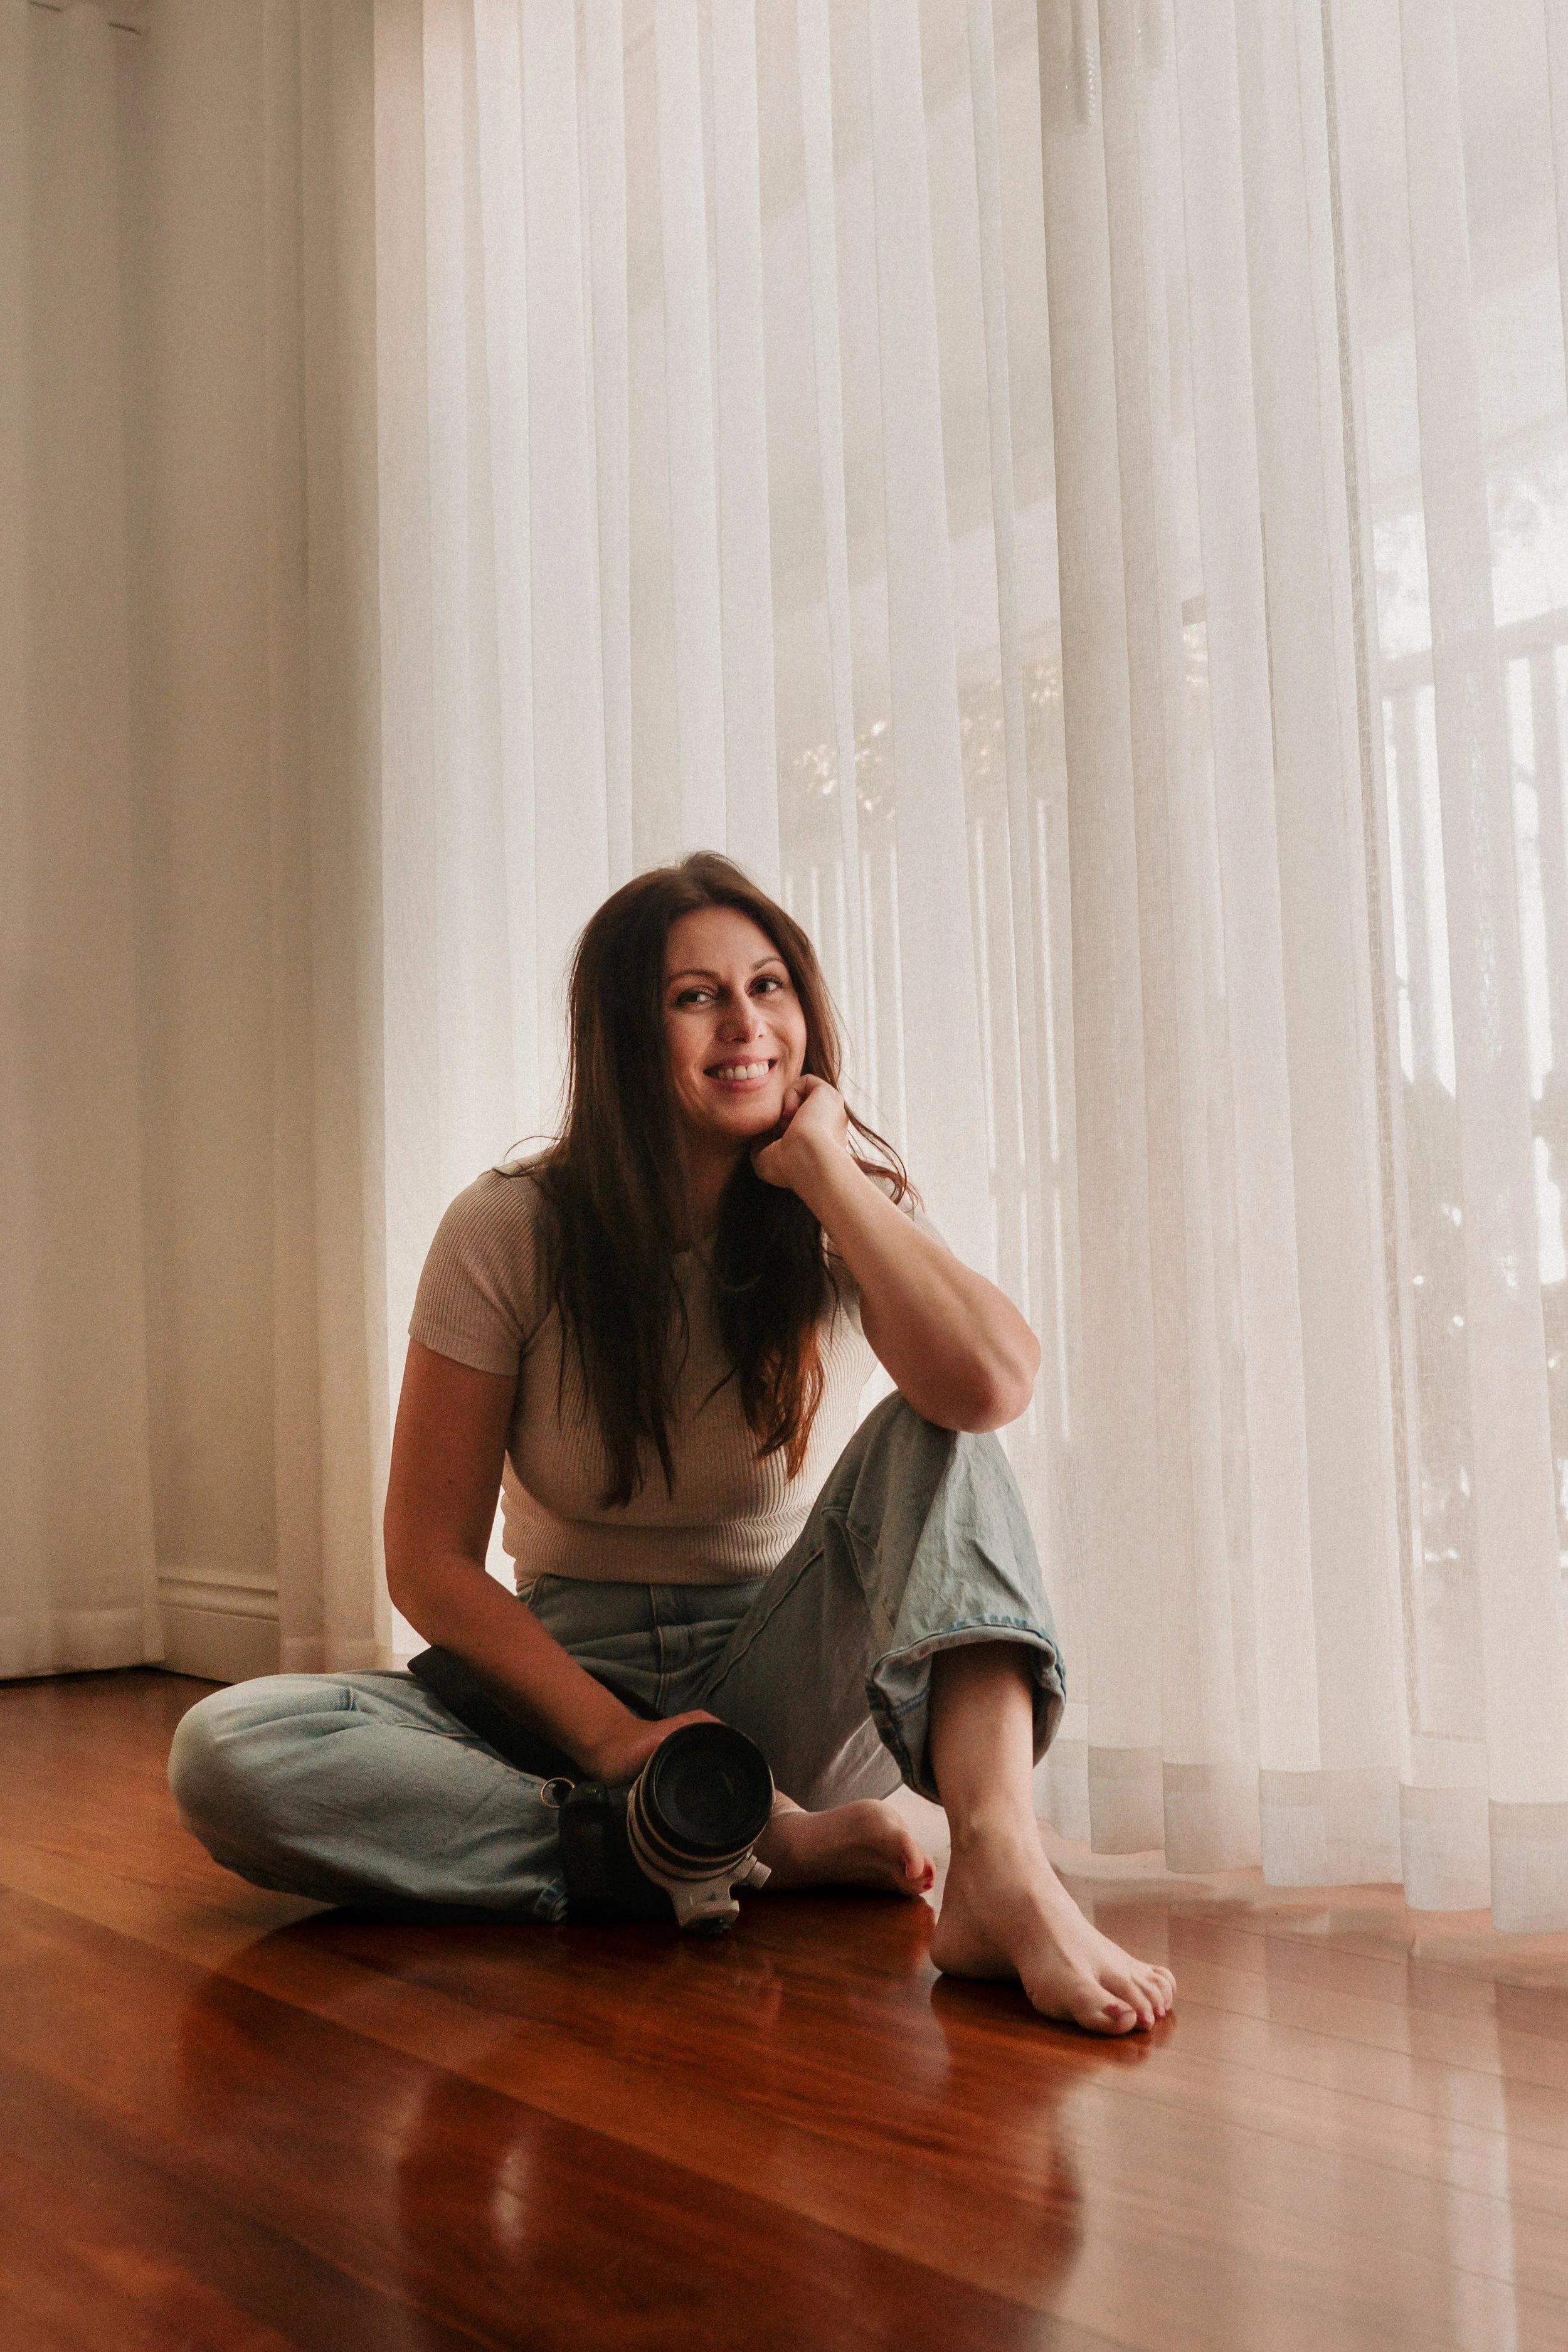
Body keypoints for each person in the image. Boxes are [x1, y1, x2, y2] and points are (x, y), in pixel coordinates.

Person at [170, 854, 1175, 2035]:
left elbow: (992, 1384)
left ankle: (998, 1866)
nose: (747, 1023)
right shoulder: (510, 1226)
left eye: (769, 986)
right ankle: (723, 1844)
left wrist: (830, 1178)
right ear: (623, 1033)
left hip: (788, 1681)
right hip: (566, 1684)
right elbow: (426, 1560)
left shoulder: (849, 1206)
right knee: (227, 1752)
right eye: (696, 996)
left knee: (936, 1431)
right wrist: (618, 1742)